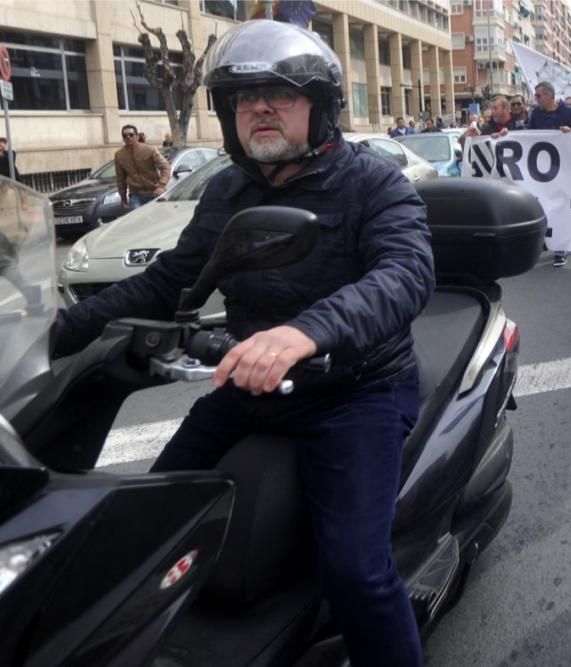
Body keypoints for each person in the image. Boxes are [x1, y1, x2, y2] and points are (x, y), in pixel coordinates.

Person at [52, 20, 434, 665]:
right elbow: (173, 279)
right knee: (142, 528)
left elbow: (404, 273)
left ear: (320, 106)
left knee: (356, 573)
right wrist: (48, 336)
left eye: (279, 95)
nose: (258, 108)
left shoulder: (374, 183)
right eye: (243, 98)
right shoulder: (229, 190)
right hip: (248, 386)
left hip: (354, 392)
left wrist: (306, 331)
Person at [529, 81, 571, 267]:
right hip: (542, 169)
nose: (536, 99)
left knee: (561, 205)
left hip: (564, 168)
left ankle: (560, 248)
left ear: (550, 95)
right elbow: (528, 137)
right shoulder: (535, 114)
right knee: (543, 204)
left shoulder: (569, 113)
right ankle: (547, 240)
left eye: (539, 95)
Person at [113, 124, 170, 210]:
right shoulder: (119, 155)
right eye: (125, 136)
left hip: (154, 192)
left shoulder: (149, 150)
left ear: (137, 136)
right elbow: (120, 178)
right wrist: (123, 198)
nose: (128, 137)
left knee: (159, 219)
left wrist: (161, 186)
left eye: (131, 135)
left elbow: (165, 167)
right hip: (135, 194)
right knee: (137, 219)